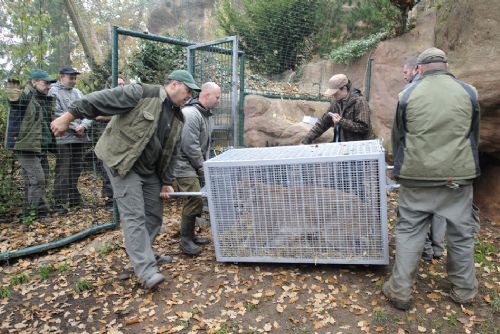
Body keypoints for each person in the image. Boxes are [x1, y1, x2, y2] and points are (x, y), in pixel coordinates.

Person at [50, 70, 200, 290]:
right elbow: (98, 100)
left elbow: (172, 151)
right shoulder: (141, 93)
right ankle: (146, 271)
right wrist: (67, 117)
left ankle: (143, 255)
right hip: (122, 162)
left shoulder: (178, 116)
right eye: (188, 90)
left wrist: (167, 180)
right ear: (175, 84)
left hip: (149, 170)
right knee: (134, 215)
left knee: (154, 215)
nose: (190, 96)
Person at [384, 47, 480, 310]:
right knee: (461, 234)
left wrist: (399, 169)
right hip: (457, 176)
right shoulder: (469, 92)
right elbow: (474, 133)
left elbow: (398, 137)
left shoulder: (408, 94)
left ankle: (400, 290)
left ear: (420, 68)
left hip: (417, 176)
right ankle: (464, 290)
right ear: (446, 65)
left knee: (409, 231)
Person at [301, 74, 375, 199]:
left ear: (344, 88)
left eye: (335, 92)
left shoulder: (359, 102)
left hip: (358, 150)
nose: (334, 95)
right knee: (340, 182)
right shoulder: (336, 103)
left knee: (355, 182)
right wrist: (306, 140)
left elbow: (363, 127)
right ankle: (343, 207)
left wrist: (341, 121)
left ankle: (362, 208)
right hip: (342, 149)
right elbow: (322, 124)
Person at [403, 54, 446, 262]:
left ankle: (427, 251)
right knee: (439, 208)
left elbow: (402, 133)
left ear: (417, 69)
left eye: (405, 72)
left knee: (419, 209)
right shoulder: (455, 90)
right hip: (446, 161)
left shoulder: (411, 93)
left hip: (422, 162)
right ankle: (436, 249)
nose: (404, 76)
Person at [174, 82, 221, 255]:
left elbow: (205, 146)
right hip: (182, 163)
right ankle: (185, 240)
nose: (219, 101)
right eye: (217, 97)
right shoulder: (191, 114)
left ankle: (190, 236)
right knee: (194, 199)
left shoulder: (207, 115)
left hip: (193, 163)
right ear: (206, 95)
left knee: (196, 198)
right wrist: (203, 167)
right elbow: (190, 145)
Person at [5, 70, 56, 219]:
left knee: (38, 180)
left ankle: (29, 212)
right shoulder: (26, 95)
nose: (48, 86)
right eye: (45, 83)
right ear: (34, 82)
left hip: (41, 146)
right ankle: (37, 213)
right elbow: (15, 102)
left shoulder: (45, 99)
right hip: (25, 146)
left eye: (50, 84)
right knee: (38, 179)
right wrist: (12, 94)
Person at [49, 66, 92, 213]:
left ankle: (74, 198)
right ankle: (59, 202)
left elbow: (89, 110)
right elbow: (57, 114)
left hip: (80, 138)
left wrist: (84, 126)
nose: (74, 81)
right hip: (64, 138)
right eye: (71, 78)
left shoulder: (78, 92)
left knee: (76, 168)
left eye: (75, 78)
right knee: (63, 169)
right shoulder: (53, 91)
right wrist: (76, 127)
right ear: (61, 77)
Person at [93, 75, 126, 209]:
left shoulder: (125, 98)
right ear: (109, 85)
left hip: (121, 140)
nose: (121, 86)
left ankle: (118, 200)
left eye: (123, 84)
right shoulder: (103, 97)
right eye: (118, 84)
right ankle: (109, 201)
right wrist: (117, 115)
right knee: (107, 170)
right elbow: (96, 115)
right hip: (105, 138)